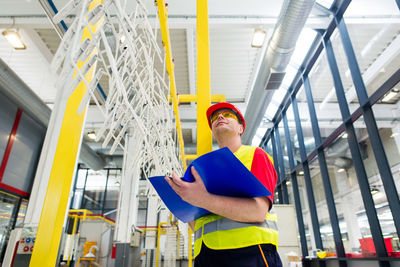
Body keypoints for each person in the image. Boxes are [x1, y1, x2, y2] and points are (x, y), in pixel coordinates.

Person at [165, 102, 282, 267]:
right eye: (215, 117)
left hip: (249, 252)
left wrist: (201, 199)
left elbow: (258, 211)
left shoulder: (255, 155)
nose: (219, 117)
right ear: (213, 131)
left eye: (228, 114)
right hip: (205, 255)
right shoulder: (201, 169)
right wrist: (183, 204)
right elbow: (198, 224)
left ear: (241, 128)